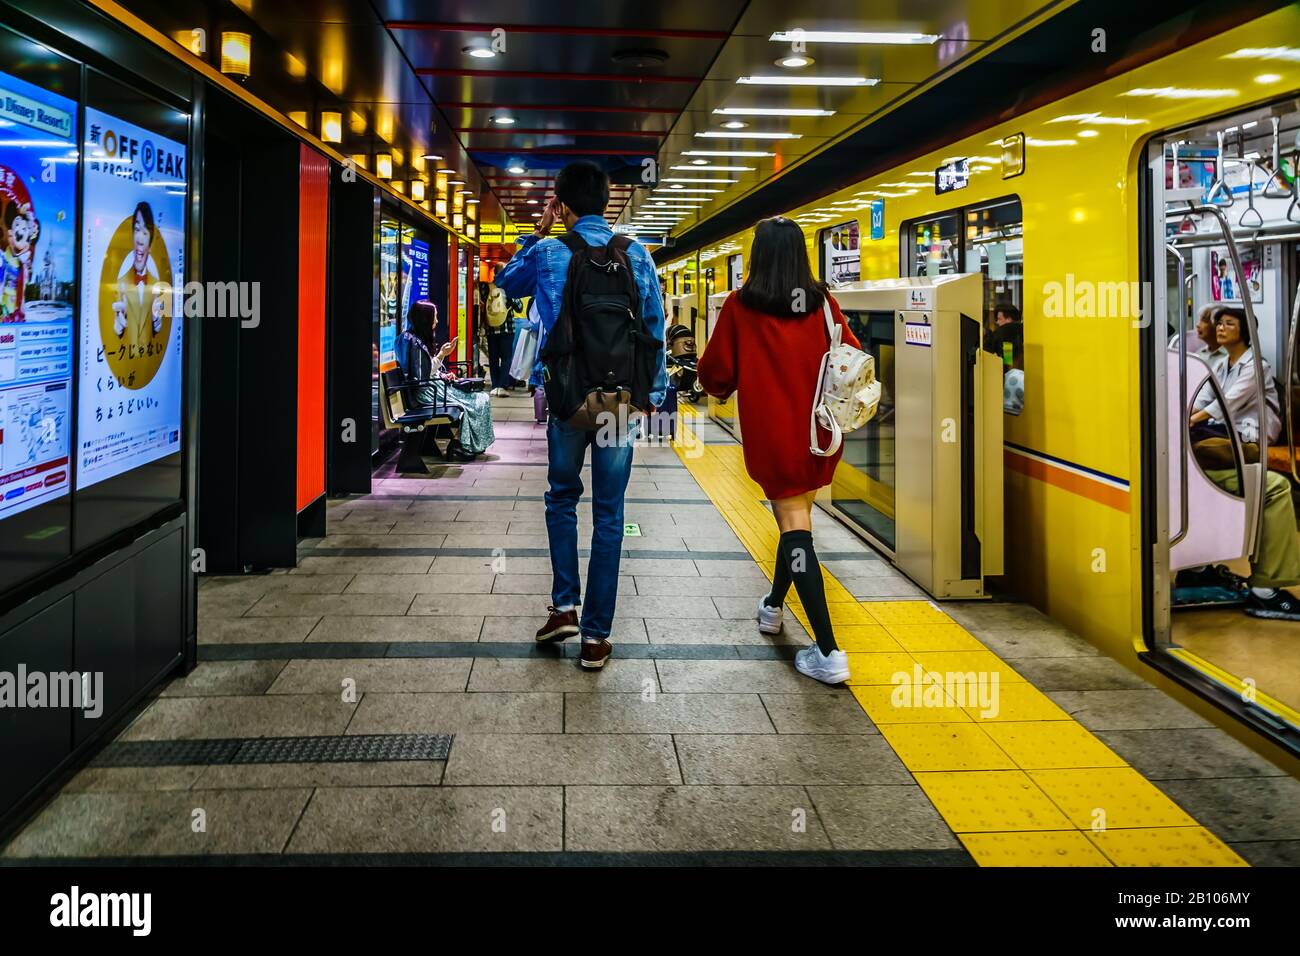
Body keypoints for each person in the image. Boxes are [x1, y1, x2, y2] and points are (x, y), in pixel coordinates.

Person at [495, 161, 667, 670]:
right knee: (610, 513)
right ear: (608, 202)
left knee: (562, 498)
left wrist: (538, 232)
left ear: (562, 205)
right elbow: (654, 326)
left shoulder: (549, 251)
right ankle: (596, 636)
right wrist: (650, 395)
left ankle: (564, 607)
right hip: (619, 404)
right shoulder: (635, 254)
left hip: (568, 400)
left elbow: (506, 282)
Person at [697, 216, 858, 684]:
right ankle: (772, 607)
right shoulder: (824, 303)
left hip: (775, 437)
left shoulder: (741, 305)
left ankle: (828, 651)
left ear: (758, 256)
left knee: (794, 528)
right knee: (796, 523)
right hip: (820, 434)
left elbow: (715, 373)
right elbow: (850, 353)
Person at [1179, 307, 1299, 621]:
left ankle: (1199, 567)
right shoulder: (1220, 364)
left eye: (1229, 323)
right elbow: (1204, 396)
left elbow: (1226, 403)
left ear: (1244, 331)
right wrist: (1187, 413)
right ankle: (1265, 589)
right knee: (1274, 489)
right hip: (1226, 439)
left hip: (1249, 439)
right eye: (1219, 323)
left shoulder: (1255, 365)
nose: (1220, 328)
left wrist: (1187, 420)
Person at [395, 299, 495, 459]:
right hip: (428, 393)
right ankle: (462, 445)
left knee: (480, 398)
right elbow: (422, 378)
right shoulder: (415, 344)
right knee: (475, 401)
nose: (437, 320)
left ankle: (466, 443)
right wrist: (441, 357)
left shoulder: (411, 339)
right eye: (434, 317)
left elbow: (423, 372)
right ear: (425, 319)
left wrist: (442, 372)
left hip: (431, 388)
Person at [483, 281, 513, 396]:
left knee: (493, 358)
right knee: (506, 358)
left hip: (491, 328)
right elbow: (519, 307)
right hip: (507, 329)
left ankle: (495, 385)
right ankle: (502, 386)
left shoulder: (488, 288)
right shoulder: (509, 288)